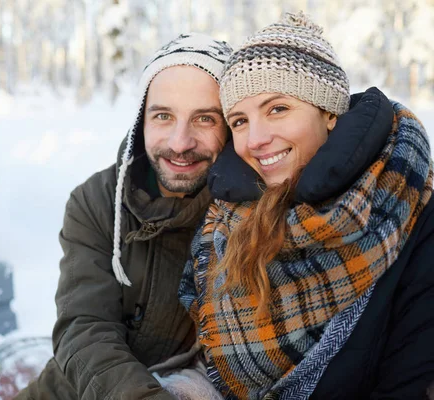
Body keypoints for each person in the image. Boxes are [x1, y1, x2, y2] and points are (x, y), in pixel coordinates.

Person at [179, 12, 434, 399]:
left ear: (328, 112)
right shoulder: (225, 225)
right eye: (240, 121)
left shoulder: (407, 207)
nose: (257, 139)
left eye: (277, 109)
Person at [15, 33, 233, 399]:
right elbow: (83, 328)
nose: (180, 142)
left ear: (229, 126)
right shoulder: (96, 201)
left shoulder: (247, 211)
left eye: (204, 119)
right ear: (141, 122)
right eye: (163, 116)